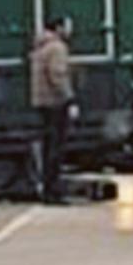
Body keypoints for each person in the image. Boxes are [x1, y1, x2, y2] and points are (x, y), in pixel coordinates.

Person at [30, 16, 77, 204]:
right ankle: (53, 192)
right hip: (56, 103)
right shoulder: (57, 48)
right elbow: (58, 75)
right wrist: (70, 98)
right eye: (67, 26)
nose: (69, 31)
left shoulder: (40, 47)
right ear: (58, 28)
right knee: (56, 150)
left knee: (48, 147)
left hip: (42, 102)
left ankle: (48, 189)